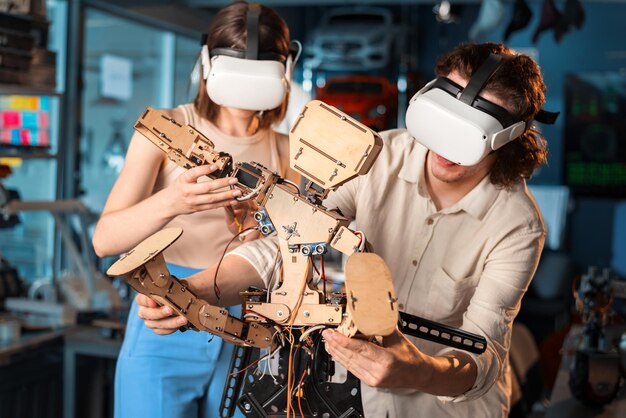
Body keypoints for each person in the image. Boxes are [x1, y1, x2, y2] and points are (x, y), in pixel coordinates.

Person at [135, 42, 552, 418]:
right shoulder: (371, 157)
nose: (444, 148)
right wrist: (196, 291)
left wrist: (418, 371)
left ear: (507, 138)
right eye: (442, 123)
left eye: (468, 136)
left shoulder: (517, 225)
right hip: (352, 402)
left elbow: (485, 349)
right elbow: (290, 240)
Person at [92, 2, 299, 417]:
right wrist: (174, 201)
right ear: (208, 64)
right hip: (165, 309)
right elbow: (104, 240)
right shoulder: (166, 129)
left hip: (250, 315)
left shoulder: (287, 150)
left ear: (284, 70)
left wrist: (255, 229)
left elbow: (290, 249)